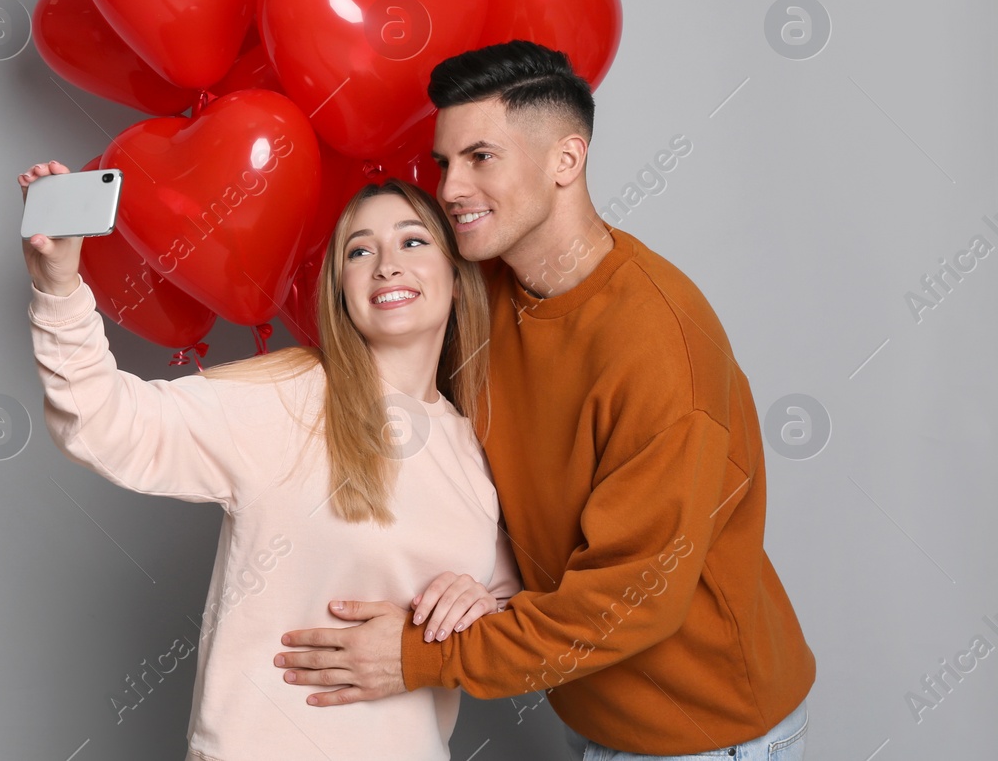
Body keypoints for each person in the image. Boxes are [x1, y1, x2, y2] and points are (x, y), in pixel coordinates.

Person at [273, 41, 815, 760]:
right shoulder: (480, 294)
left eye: (481, 157)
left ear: (566, 160)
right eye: (444, 163)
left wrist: (417, 658)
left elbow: (631, 597)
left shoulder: (660, 345)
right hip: (597, 716)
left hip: (710, 736)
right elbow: (433, 440)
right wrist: (482, 580)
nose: (452, 188)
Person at [20, 166, 520, 761]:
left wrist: (483, 603)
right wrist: (59, 286)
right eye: (359, 251)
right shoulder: (289, 399)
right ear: (341, 289)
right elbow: (102, 422)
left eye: (413, 241)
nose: (387, 264)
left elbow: (514, 606)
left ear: (458, 280)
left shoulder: (471, 445)